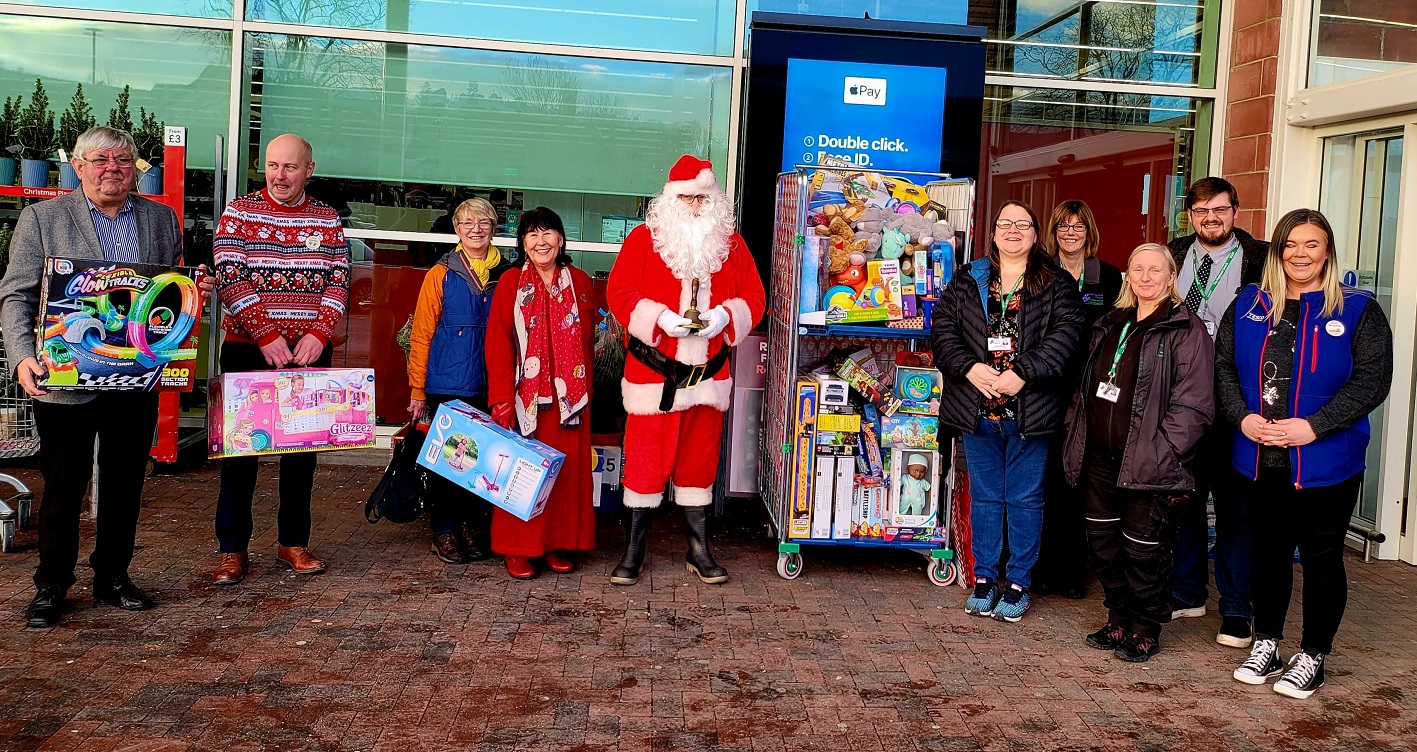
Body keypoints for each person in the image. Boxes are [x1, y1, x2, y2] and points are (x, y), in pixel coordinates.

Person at [0, 126, 214, 627]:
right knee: (63, 486)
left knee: (124, 483)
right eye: (99, 159)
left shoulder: (161, 219)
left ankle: (113, 577)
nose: (112, 167)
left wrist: (195, 286)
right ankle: (52, 585)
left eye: (122, 159)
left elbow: (167, 288)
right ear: (78, 166)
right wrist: (22, 357)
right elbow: (17, 294)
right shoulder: (42, 218)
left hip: (135, 377)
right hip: (64, 378)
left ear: (135, 167)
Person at [1221, 209, 1392, 699]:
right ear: (1277, 251)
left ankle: (1313, 653)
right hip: (1259, 455)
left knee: (1320, 558)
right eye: (1291, 244)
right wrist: (1242, 418)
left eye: (1312, 244)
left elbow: (1371, 383)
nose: (1300, 253)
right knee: (1268, 552)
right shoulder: (1249, 304)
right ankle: (1268, 641)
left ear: (1327, 252)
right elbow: (1225, 370)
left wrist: (1313, 426)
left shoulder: (1358, 309)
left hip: (1326, 459)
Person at [606, 155, 766, 586]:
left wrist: (725, 317)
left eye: (703, 198)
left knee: (699, 462)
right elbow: (618, 291)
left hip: (709, 376)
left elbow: (755, 296)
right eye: (687, 198)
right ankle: (634, 549)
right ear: (670, 200)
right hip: (654, 374)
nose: (696, 206)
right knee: (644, 463)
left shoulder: (732, 245)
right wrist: (657, 318)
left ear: (714, 200)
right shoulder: (643, 240)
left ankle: (697, 548)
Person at [931, 200, 1085, 622]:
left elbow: (1067, 335)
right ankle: (984, 578)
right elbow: (942, 330)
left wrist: (1024, 373)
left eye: (1023, 224)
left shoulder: (1057, 283)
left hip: (1029, 410)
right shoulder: (969, 279)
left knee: (1024, 499)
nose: (1013, 231)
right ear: (993, 233)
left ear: (1036, 234)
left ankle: (1017, 582)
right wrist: (970, 367)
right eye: (1005, 224)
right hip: (977, 408)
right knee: (984, 497)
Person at [1061, 243, 1213, 662]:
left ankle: (1145, 628)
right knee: (1103, 547)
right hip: (1099, 460)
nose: (1146, 277)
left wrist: (1164, 450)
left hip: (1151, 464)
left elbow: (1195, 405)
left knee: (1143, 552)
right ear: (1128, 275)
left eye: (1155, 270)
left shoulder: (1185, 329)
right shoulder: (1110, 323)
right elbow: (1085, 386)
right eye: (1138, 269)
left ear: (1170, 278)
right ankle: (1117, 619)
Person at [210, 133, 351, 586]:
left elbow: (339, 279)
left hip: (309, 349)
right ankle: (233, 550)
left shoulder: (327, 219)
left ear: (309, 169)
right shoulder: (240, 212)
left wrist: (318, 332)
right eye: (272, 165)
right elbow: (229, 273)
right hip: (248, 347)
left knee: (301, 453)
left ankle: (293, 542)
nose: (279, 175)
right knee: (241, 454)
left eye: (290, 167)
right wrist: (265, 334)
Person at [1167, 177, 1270, 649]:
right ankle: (1187, 592)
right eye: (1202, 210)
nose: (1212, 218)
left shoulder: (1263, 260)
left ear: (1235, 211)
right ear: (1190, 215)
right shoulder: (1173, 253)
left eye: (1221, 210)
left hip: (1236, 404)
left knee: (1235, 510)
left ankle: (1236, 608)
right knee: (1183, 502)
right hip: (1182, 400)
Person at [484, 207, 596, 579]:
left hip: (570, 401)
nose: (541, 241)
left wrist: (584, 390)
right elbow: (498, 343)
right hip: (526, 399)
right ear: (523, 244)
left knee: (565, 476)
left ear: (561, 239)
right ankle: (519, 549)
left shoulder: (579, 280)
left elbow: (589, 343)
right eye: (532, 235)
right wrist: (501, 398)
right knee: (522, 473)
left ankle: (558, 545)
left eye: (548, 233)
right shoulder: (511, 283)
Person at [406, 198, 512, 564]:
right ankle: (445, 530)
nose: (476, 229)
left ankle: (469, 525)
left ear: (494, 227)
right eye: (467, 223)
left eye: (483, 222)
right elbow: (421, 334)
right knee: (449, 461)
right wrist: (418, 390)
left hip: (491, 384)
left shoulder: (507, 273)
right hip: (448, 383)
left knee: (482, 462)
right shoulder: (440, 273)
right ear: (457, 229)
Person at [1036, 199, 1124, 599]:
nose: (1070, 233)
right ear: (1053, 234)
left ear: (1090, 233)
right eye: (1063, 227)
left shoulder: (1108, 277)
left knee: (1082, 483)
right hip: (1044, 390)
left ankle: (1073, 572)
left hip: (1091, 394)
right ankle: (1041, 568)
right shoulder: (1040, 274)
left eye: (1078, 227)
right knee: (1047, 480)